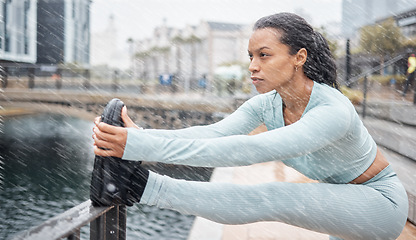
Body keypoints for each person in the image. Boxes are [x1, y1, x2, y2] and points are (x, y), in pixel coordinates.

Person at [92, 13, 408, 240]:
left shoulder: (332, 109)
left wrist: (137, 148)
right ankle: (135, 180)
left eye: (264, 55)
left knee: (275, 197)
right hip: (341, 200)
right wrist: (139, 138)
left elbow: (252, 149)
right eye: (250, 56)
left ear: (299, 57)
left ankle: (138, 186)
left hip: (379, 202)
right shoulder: (267, 103)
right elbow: (213, 134)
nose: (253, 66)